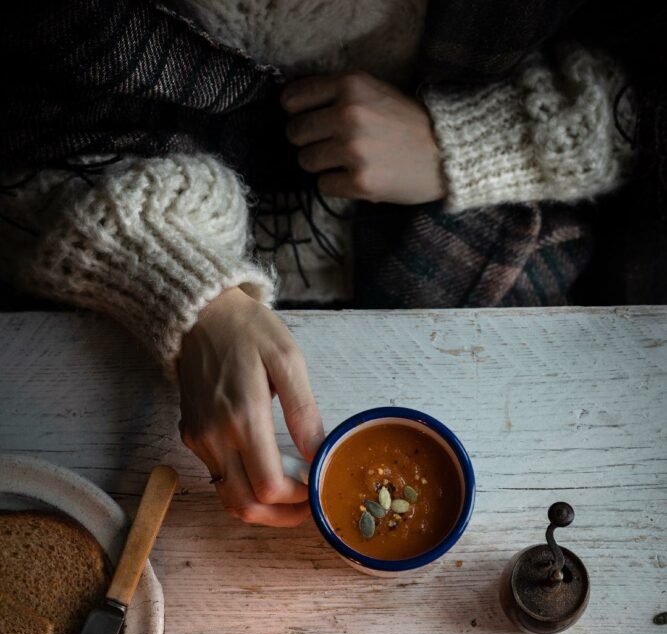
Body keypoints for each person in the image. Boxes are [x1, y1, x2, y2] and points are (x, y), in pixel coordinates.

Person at [0, 1, 653, 527]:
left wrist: (479, 138)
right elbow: (25, 126)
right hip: (90, 330)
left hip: (513, 286)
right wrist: (175, 279)